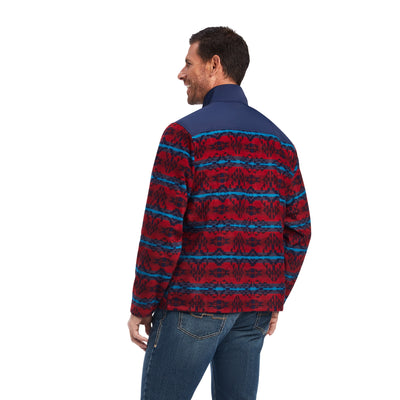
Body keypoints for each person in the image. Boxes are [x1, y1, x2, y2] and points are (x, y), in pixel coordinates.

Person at [128, 27, 311, 400]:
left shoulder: (183, 136)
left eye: (188, 63)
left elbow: (162, 231)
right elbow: (299, 230)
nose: (181, 74)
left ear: (214, 65)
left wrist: (142, 302)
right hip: (254, 310)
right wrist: (273, 294)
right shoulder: (280, 143)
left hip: (193, 304)